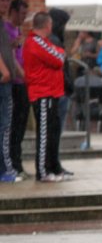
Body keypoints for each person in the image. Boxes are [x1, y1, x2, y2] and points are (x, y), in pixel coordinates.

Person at [24, 11, 68, 183]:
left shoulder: (43, 42)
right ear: (47, 25)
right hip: (42, 93)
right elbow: (59, 58)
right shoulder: (36, 41)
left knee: (50, 133)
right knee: (44, 135)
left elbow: (58, 54)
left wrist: (59, 52)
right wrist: (60, 52)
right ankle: (42, 171)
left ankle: (51, 167)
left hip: (50, 92)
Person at [8, 0, 29, 180]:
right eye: (22, 13)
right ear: (13, 12)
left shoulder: (19, 31)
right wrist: (23, 75)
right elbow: (10, 56)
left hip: (22, 82)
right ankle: (13, 163)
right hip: (15, 82)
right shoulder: (7, 29)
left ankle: (18, 161)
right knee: (14, 125)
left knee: (21, 125)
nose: (23, 17)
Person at [0, 0, 16, 183]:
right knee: (4, 126)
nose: (5, 3)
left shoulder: (3, 25)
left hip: (6, 81)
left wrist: (12, 46)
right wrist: (4, 70)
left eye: (7, 0)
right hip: (3, 82)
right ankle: (5, 169)